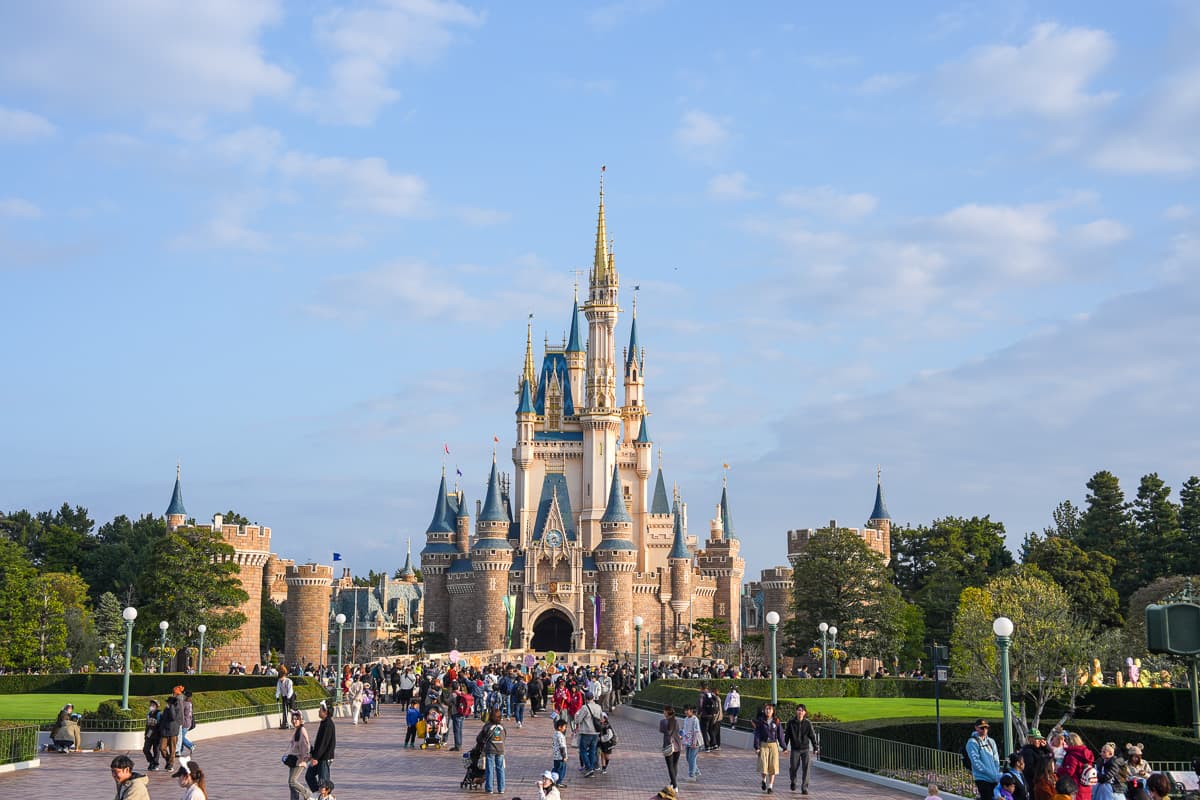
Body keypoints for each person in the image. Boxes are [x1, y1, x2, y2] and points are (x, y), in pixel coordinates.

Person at [783, 703, 820, 794]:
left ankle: (804, 788)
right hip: (795, 749)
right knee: (793, 767)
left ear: (805, 712)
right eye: (799, 710)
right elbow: (787, 735)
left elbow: (812, 736)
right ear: (796, 711)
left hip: (805, 749)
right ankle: (793, 781)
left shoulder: (808, 723)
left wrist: (815, 747)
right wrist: (784, 747)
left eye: (802, 710)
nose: (800, 712)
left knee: (806, 768)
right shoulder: (791, 723)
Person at [753, 702, 784, 794]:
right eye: (766, 709)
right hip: (763, 745)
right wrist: (757, 747)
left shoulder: (776, 721)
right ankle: (763, 780)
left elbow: (780, 735)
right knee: (764, 765)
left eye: (770, 709)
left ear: (773, 711)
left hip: (773, 745)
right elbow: (757, 734)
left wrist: (784, 747)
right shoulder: (761, 721)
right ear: (764, 710)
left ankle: (770, 786)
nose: (768, 711)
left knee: (773, 766)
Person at [968, 719, 1002, 800]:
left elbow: (996, 759)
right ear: (976, 728)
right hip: (982, 778)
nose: (984, 730)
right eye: (982, 728)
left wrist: (996, 774)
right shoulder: (972, 742)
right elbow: (976, 762)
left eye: (986, 728)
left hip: (994, 779)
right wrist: (991, 774)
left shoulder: (991, 741)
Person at [306, 702, 336, 792]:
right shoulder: (324, 722)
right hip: (319, 756)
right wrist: (313, 754)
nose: (318, 711)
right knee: (309, 776)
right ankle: (317, 795)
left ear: (325, 712)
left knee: (323, 783)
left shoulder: (328, 724)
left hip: (324, 758)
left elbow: (323, 744)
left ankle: (324, 797)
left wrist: (315, 757)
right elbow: (319, 743)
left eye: (320, 710)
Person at [574, 690, 604, 778]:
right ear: (593, 698)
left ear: (586, 698)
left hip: (586, 732)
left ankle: (589, 767)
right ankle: (592, 766)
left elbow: (578, 720)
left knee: (583, 750)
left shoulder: (585, 707)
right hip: (595, 732)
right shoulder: (598, 707)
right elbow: (601, 718)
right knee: (592, 750)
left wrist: (577, 716)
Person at [477, 708, 507, 795]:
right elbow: (505, 737)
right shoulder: (502, 727)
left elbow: (480, 738)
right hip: (500, 749)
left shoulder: (488, 726)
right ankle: (501, 788)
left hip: (490, 749)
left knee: (489, 769)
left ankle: (489, 788)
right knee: (500, 769)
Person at [1058, 733, 1096, 800]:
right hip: (1086, 787)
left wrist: (1058, 770)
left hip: (1075, 787)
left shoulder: (1072, 755)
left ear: (1070, 742)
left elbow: (1069, 772)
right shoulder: (1085, 753)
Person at [284, 710, 310, 800]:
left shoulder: (302, 730)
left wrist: (304, 760)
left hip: (299, 760)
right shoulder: (297, 730)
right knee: (291, 784)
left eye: (296, 719)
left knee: (292, 781)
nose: (294, 721)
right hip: (293, 759)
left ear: (301, 720)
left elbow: (306, 746)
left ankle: (307, 794)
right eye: (293, 719)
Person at [659, 705, 682, 792]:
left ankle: (675, 785)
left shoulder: (663, 722)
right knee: (675, 765)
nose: (663, 712)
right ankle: (672, 784)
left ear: (668, 712)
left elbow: (662, 730)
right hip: (677, 745)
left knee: (670, 767)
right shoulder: (676, 721)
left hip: (668, 745)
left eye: (664, 711)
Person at [679, 704, 703, 781]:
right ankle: (696, 771)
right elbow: (684, 730)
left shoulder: (695, 719)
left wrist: (694, 742)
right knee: (688, 758)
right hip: (688, 741)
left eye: (687, 710)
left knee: (692, 758)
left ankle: (692, 776)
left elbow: (696, 732)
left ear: (691, 710)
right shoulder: (686, 719)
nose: (685, 712)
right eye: (685, 710)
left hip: (695, 742)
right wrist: (681, 736)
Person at [159, 695, 182, 773]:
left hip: (173, 732)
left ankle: (170, 765)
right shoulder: (167, 709)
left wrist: (171, 707)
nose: (167, 704)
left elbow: (173, 717)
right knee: (162, 748)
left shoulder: (177, 708)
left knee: (172, 750)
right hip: (165, 732)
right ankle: (168, 761)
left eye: (168, 702)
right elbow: (163, 719)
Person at [551, 717, 569, 788]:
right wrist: (564, 756)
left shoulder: (555, 734)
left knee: (555, 768)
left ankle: (551, 779)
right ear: (559, 727)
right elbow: (562, 747)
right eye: (564, 727)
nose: (565, 728)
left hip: (555, 756)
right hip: (560, 756)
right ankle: (559, 782)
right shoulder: (560, 735)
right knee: (562, 770)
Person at [177, 690, 195, 756]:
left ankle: (191, 745)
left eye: (184, 695)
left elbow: (181, 713)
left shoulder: (184, 703)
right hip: (188, 722)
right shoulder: (190, 703)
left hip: (185, 723)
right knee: (181, 737)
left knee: (180, 738)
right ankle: (179, 751)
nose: (183, 696)